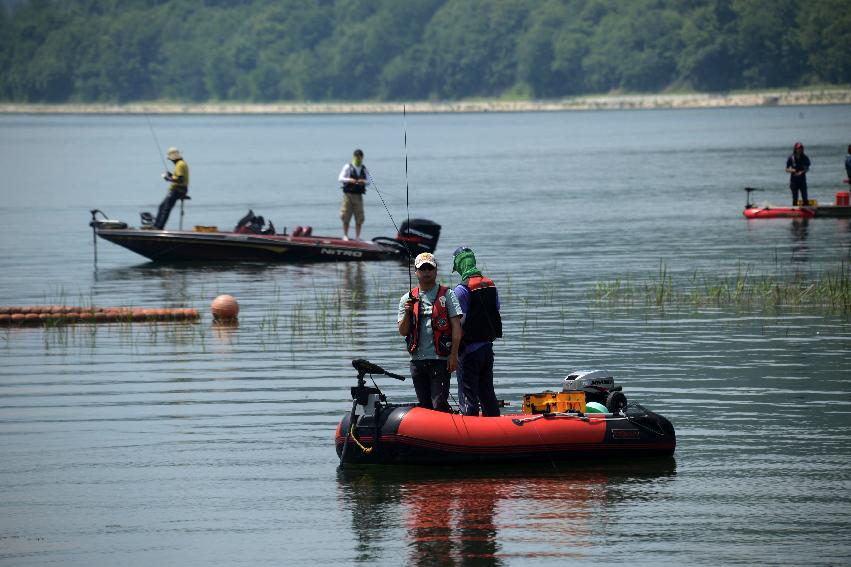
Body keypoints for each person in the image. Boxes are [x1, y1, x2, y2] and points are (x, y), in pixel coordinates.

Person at [398, 252, 462, 413]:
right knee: (424, 406)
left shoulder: (448, 295)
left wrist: (453, 355)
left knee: (439, 404)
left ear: (435, 271)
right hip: (417, 361)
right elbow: (403, 331)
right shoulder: (406, 298)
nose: (426, 271)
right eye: (422, 268)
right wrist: (407, 312)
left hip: (440, 360)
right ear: (416, 272)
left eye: (430, 268)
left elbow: (456, 327)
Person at [452, 246, 502, 417]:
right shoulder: (490, 285)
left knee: (468, 396)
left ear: (458, 265)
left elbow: (460, 322)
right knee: (488, 393)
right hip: (487, 349)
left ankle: (469, 432)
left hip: (468, 351)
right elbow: (496, 309)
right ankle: (494, 427)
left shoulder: (461, 290)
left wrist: (453, 351)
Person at [154, 147, 189, 229]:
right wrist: (171, 175)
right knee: (162, 207)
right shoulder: (182, 163)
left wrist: (168, 179)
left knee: (165, 208)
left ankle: (159, 227)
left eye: (171, 159)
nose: (171, 161)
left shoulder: (179, 165)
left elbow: (180, 179)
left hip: (177, 190)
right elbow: (178, 177)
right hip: (181, 189)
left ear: (173, 159)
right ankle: (156, 226)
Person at [338, 149, 369, 240]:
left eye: (359, 157)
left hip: (358, 197)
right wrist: (349, 180)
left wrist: (363, 181)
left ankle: (357, 237)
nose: (358, 158)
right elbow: (340, 178)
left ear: (362, 157)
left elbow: (369, 181)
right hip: (348, 196)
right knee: (345, 216)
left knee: (359, 217)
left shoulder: (364, 168)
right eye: (356, 157)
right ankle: (345, 235)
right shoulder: (348, 167)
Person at [785, 142, 811, 206]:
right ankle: (794, 212)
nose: (800, 150)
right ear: (795, 149)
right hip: (794, 181)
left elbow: (807, 168)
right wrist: (792, 170)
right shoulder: (791, 158)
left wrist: (801, 172)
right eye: (798, 148)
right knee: (795, 198)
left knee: (805, 197)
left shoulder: (805, 157)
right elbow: (786, 169)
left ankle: (807, 212)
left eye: (801, 148)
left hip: (802, 180)